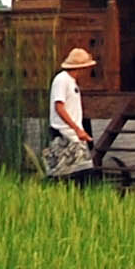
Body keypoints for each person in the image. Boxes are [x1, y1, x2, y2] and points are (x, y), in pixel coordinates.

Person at [45, 43, 97, 180]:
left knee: (83, 171)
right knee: (66, 173)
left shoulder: (72, 82)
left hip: (75, 133)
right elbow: (59, 106)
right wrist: (76, 129)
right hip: (65, 132)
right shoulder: (62, 80)